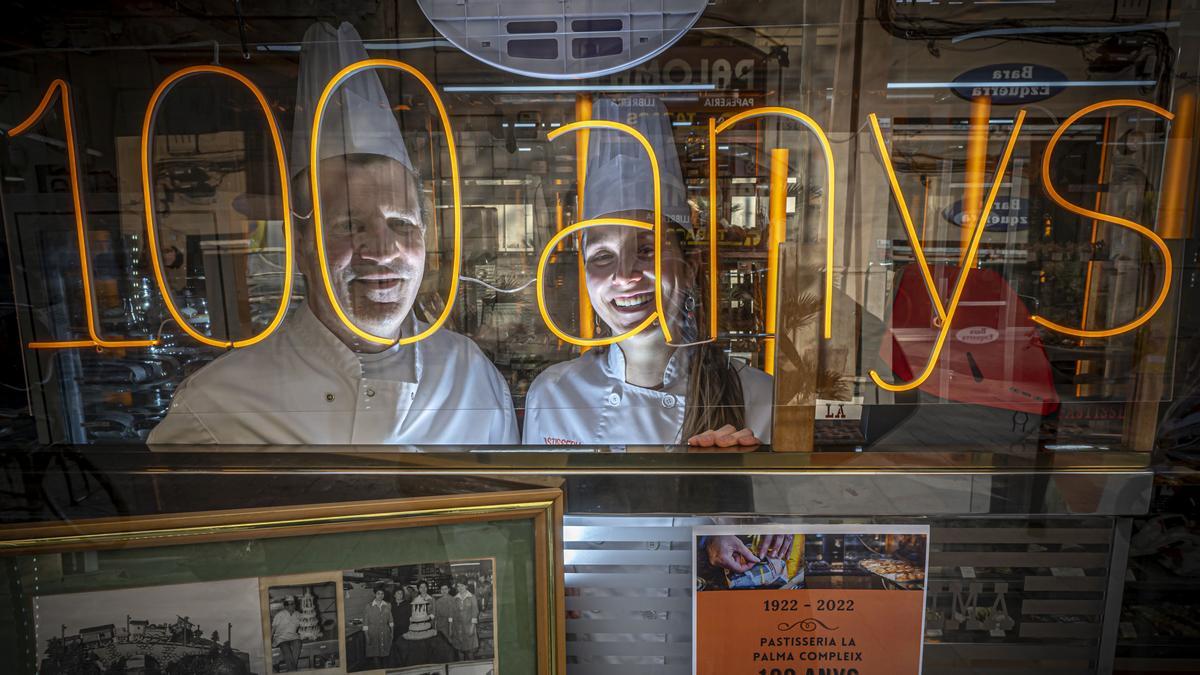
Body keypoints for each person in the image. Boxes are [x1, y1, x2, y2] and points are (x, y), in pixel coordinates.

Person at [148, 21, 517, 445]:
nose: (382, 249)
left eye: (401, 223)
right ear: (301, 247)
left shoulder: (472, 377)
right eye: (349, 224)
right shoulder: (215, 409)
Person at [522, 96, 772, 447]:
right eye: (602, 256)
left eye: (647, 250)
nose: (624, 276)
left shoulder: (760, 399)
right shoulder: (552, 396)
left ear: (691, 268)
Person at [362, 586, 393, 669]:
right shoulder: (368, 606)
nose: (380, 595)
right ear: (375, 594)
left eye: (382, 594)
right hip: (373, 633)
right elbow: (365, 624)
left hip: (385, 632)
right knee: (375, 653)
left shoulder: (388, 605)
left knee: (385, 653)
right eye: (378, 593)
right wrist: (367, 637)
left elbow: (391, 621)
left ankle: (385, 670)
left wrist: (392, 633)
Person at [449, 578, 479, 660]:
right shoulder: (454, 598)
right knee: (460, 650)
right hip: (457, 628)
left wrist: (472, 628)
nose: (460, 588)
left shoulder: (472, 597)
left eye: (462, 586)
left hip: (469, 627)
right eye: (458, 586)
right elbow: (451, 615)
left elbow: (475, 613)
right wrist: (450, 628)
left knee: (470, 651)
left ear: (466, 586)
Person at [271, 596, 302, 672]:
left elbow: (302, 626)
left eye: (294, 604)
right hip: (281, 637)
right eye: (290, 604)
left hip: (293, 636)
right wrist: (269, 640)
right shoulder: (279, 615)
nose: (293, 606)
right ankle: (293, 671)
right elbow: (273, 629)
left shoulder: (298, 614)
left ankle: (291, 670)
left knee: (298, 643)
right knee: (286, 648)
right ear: (286, 606)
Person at [388, 587, 410, 667]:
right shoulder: (390, 605)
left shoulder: (407, 604)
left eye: (401, 593)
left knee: (404, 648)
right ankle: (397, 665)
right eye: (398, 593)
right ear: (394, 595)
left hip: (405, 629)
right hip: (394, 630)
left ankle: (405, 664)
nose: (399, 595)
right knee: (395, 648)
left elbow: (410, 618)